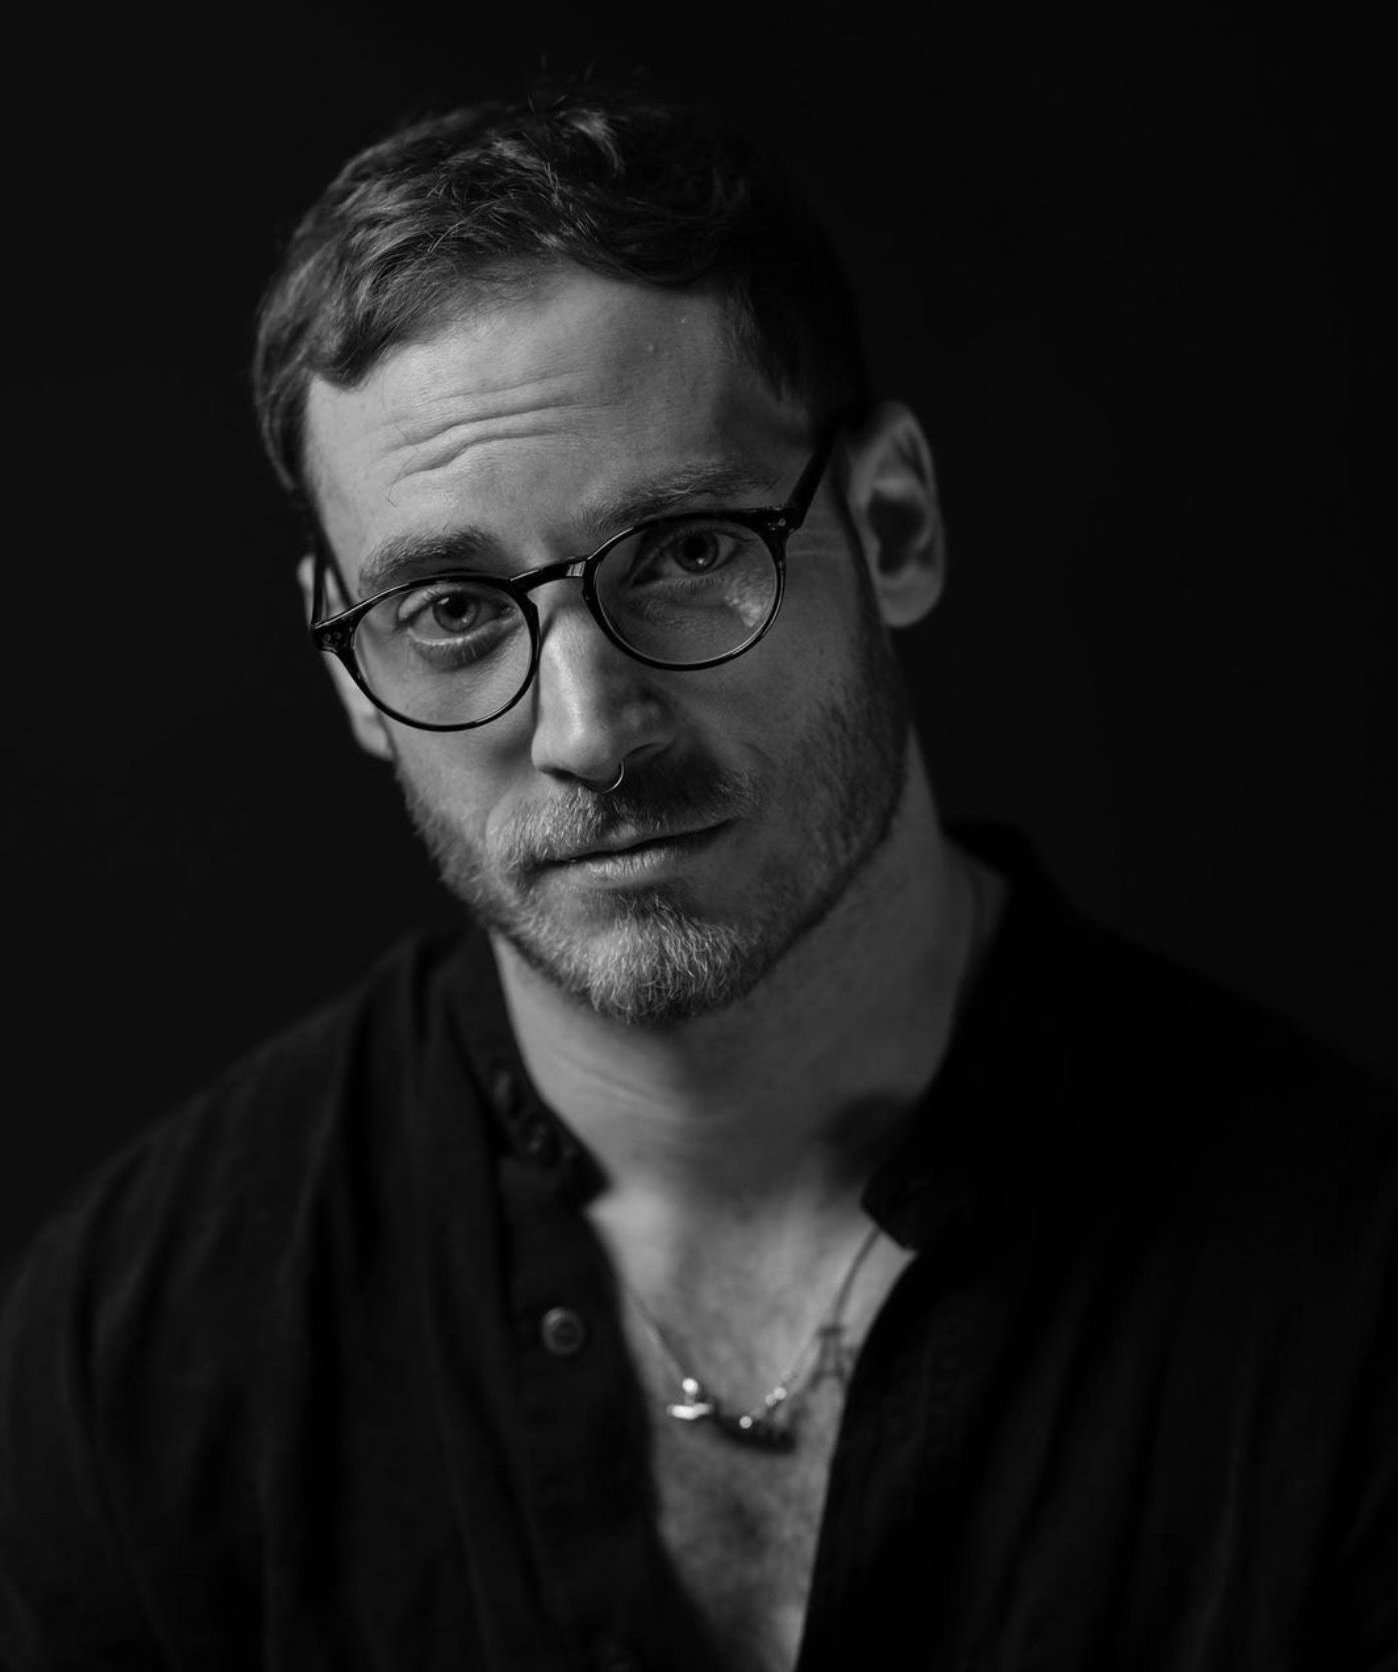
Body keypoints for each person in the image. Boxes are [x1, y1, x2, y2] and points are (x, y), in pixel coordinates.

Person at [1, 86, 1395, 1672]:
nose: (589, 731)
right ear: (349, 675)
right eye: (449, 609)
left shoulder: (1345, 1303)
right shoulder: (137, 1353)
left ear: (892, 522)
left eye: (683, 552)